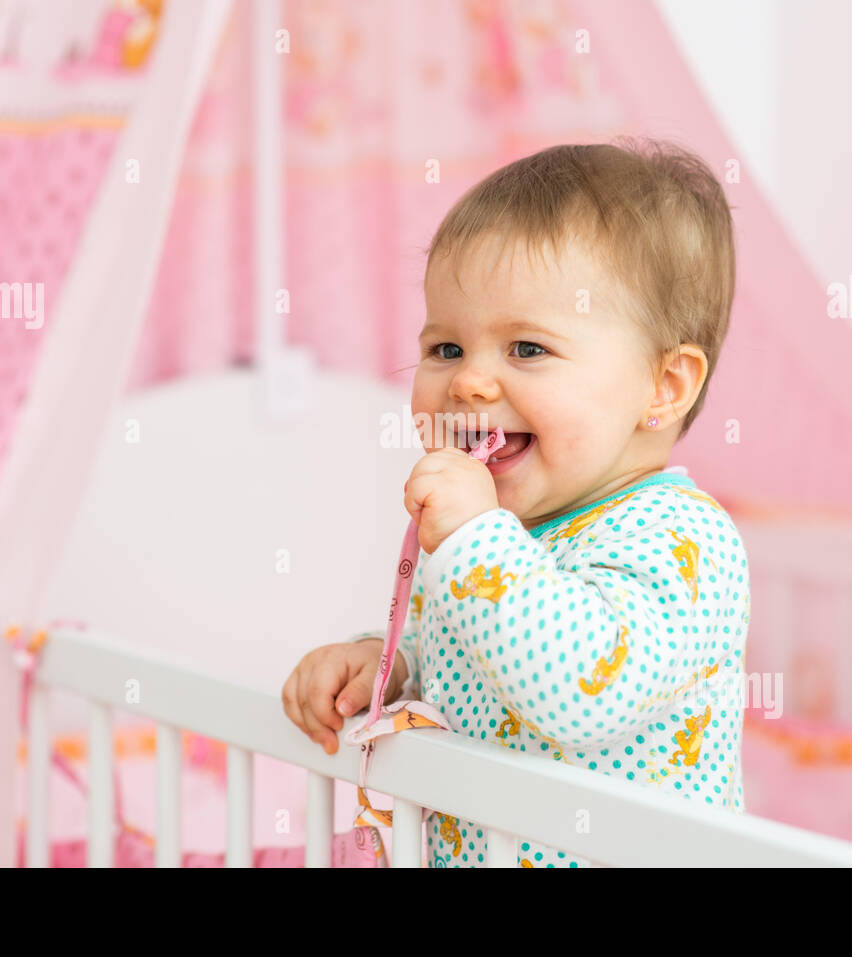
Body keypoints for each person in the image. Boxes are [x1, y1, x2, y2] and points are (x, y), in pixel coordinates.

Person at [283, 138, 749, 867]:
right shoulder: (508, 538)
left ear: (664, 387)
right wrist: (386, 663)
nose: (468, 383)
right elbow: (475, 657)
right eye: (444, 349)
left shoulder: (685, 539)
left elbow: (578, 690)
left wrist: (473, 537)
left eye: (526, 349)